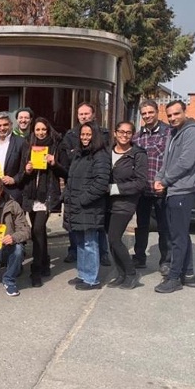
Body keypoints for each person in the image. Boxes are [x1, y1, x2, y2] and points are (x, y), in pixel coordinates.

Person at [153, 100, 195, 293]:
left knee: (177, 236)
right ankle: (189, 274)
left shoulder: (193, 132)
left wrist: (165, 181)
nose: (172, 118)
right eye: (169, 115)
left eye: (176, 113)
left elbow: (185, 162)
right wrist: (159, 178)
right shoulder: (174, 132)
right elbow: (167, 161)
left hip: (183, 190)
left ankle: (174, 278)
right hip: (174, 189)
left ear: (185, 111)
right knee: (180, 233)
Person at [59, 122, 111, 291]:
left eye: (88, 134)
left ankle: (92, 279)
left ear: (95, 136)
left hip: (89, 207)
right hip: (77, 206)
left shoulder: (100, 155)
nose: (85, 137)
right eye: (82, 134)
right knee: (81, 242)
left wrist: (82, 199)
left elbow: (101, 183)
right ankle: (83, 274)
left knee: (90, 243)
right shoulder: (80, 154)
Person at [21, 117, 64, 287]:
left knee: (37, 229)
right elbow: (22, 171)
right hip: (31, 195)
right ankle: (45, 261)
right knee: (39, 232)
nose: (40, 133)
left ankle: (36, 270)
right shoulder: (28, 145)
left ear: (48, 130)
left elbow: (65, 172)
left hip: (46, 196)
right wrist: (26, 170)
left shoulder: (56, 145)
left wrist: (54, 163)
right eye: (37, 129)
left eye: (43, 129)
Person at [105, 121, 148, 290]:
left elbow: (140, 182)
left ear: (132, 134)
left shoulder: (138, 154)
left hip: (125, 202)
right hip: (106, 202)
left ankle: (131, 273)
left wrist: (115, 189)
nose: (124, 135)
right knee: (111, 240)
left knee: (114, 238)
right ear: (115, 133)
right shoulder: (107, 151)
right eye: (121, 132)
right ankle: (121, 274)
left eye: (128, 132)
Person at [133, 99, 171, 273]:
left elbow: (173, 160)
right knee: (141, 226)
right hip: (142, 189)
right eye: (144, 113)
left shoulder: (169, 133)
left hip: (161, 189)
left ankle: (166, 261)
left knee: (164, 227)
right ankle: (139, 257)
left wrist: (166, 182)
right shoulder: (137, 137)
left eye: (150, 112)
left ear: (157, 111)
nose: (147, 116)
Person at [0, 111, 28, 204]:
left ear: (11, 125)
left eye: (5, 125)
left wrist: (14, 179)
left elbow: (25, 167)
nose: (2, 128)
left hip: (12, 190)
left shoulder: (21, 142)